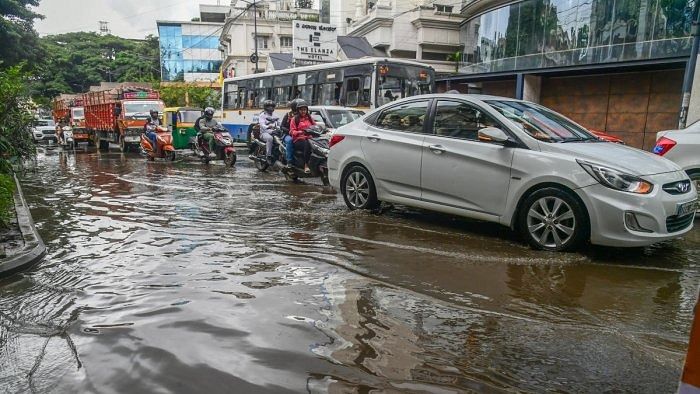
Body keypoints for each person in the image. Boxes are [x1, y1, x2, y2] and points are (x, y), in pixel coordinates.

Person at [290, 99, 315, 174]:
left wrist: (323, 129)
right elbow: (292, 131)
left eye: (305, 110)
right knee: (307, 144)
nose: (303, 111)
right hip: (299, 139)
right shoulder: (295, 119)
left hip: (310, 138)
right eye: (301, 110)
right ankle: (306, 165)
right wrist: (299, 132)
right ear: (298, 110)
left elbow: (315, 126)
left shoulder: (310, 118)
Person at [258, 99, 280, 165]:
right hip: (264, 133)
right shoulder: (262, 115)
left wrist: (279, 127)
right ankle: (268, 156)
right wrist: (268, 126)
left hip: (274, 132)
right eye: (268, 106)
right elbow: (262, 125)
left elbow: (279, 123)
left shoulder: (275, 115)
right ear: (265, 107)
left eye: (272, 106)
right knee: (270, 138)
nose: (271, 108)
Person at [280, 99, 299, 169]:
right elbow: (282, 126)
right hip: (288, 135)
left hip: (300, 135)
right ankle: (289, 161)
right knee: (290, 141)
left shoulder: (304, 115)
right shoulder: (288, 115)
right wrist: (290, 131)